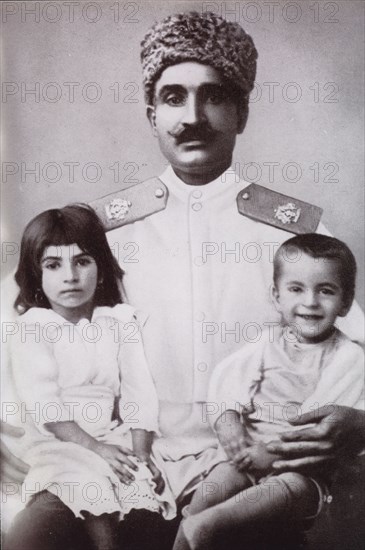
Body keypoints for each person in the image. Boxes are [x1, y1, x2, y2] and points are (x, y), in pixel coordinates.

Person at [2, 10, 365, 550]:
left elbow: (353, 347)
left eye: (214, 96)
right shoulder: (97, 232)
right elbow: (30, 340)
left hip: (247, 473)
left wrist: (357, 421)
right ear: (152, 115)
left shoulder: (299, 239)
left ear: (241, 112)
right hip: (121, 464)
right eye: (174, 97)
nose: (192, 116)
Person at [172, 233, 364, 549]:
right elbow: (226, 382)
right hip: (249, 454)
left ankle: (209, 524)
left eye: (326, 291)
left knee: (285, 488)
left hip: (302, 469)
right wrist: (229, 422)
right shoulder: (266, 342)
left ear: (345, 302)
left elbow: (317, 426)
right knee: (213, 488)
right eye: (296, 289)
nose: (310, 302)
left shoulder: (348, 357)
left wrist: (271, 452)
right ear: (276, 297)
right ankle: (192, 526)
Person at [3, 204, 175, 550]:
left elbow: (139, 392)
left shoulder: (119, 322)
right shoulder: (32, 329)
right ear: (36, 274)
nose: (70, 276)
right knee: (75, 517)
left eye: (82, 261)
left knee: (144, 507)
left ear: (100, 267)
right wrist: (96, 448)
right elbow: (44, 405)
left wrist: (140, 453)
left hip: (113, 438)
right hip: (58, 444)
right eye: (54, 265)